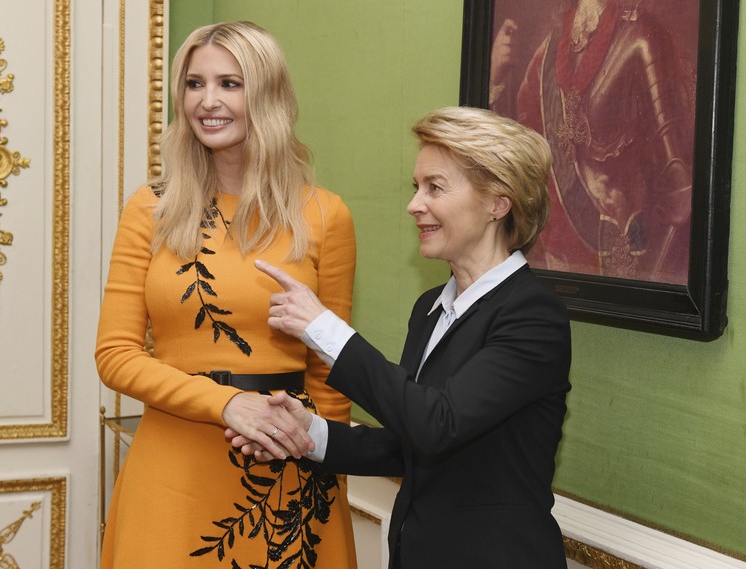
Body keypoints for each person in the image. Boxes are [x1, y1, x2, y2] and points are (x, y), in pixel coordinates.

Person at [230, 106, 572, 568]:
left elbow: (438, 424)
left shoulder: (534, 315)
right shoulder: (430, 309)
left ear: (498, 202)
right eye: (417, 187)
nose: (414, 204)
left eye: (435, 187)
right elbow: (408, 440)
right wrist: (307, 433)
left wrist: (323, 328)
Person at [95, 21, 357, 569]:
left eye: (230, 84)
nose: (208, 101)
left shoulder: (324, 215)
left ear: (267, 94)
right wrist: (228, 403)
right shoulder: (152, 208)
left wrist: (317, 458)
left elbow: (331, 369)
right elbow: (115, 355)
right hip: (172, 468)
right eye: (194, 83)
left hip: (288, 464)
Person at [490, 0, 694, 283]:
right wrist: (495, 76)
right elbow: (515, 156)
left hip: (619, 258)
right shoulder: (548, 52)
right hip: (553, 262)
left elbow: (679, 189)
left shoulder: (641, 40)